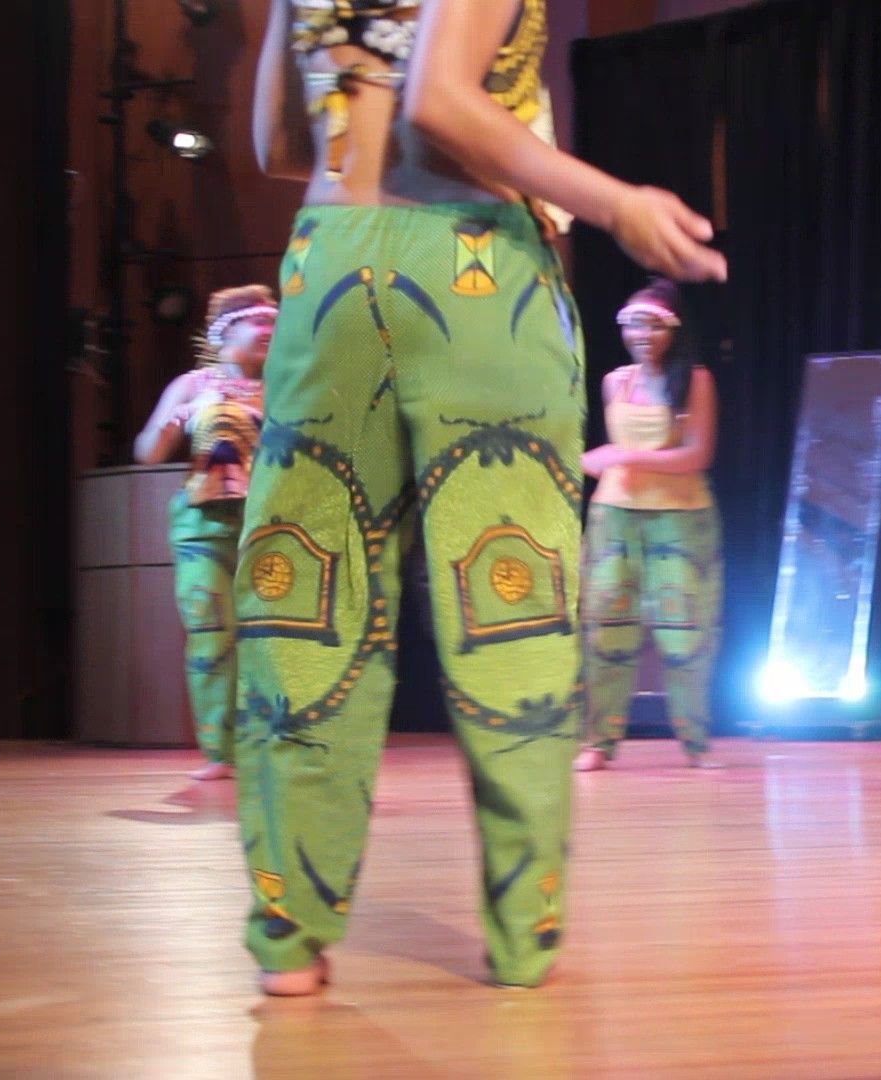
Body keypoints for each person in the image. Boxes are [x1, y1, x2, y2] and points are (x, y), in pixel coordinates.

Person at [240, 0, 725, 995]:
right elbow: (444, 105)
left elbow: (276, 143)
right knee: (510, 606)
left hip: (327, 266)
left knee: (306, 602)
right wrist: (618, 204)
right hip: (472, 273)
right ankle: (521, 932)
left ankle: (290, 937)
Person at [575, 280, 723, 771]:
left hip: (681, 519)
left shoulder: (694, 380)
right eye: (633, 324)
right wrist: (617, 462)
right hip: (614, 516)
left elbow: (697, 455)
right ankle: (599, 740)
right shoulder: (616, 381)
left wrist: (623, 455)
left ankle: (696, 742)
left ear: (673, 330)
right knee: (606, 629)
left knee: (685, 633)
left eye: (653, 325)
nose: (642, 334)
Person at [133, 286, 277, 781]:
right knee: (212, 632)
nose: (269, 333)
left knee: (271, 639)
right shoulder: (192, 386)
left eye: (274, 326)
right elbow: (148, 452)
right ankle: (221, 751)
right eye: (259, 324)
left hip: (270, 527)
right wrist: (173, 423)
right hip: (204, 526)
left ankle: (271, 742)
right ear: (224, 332)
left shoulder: (287, 384)